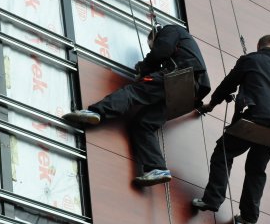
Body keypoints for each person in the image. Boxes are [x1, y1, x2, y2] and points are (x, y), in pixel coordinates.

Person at [63, 24, 211, 187]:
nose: (153, 47)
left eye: (152, 44)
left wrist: (143, 67)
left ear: (155, 36)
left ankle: (95, 112)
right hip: (189, 94)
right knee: (143, 124)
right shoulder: (183, 42)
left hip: (180, 77)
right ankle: (157, 168)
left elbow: (161, 50)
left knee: (133, 92)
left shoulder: (170, 30)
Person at [192, 35, 270, 224]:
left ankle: (213, 199)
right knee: (257, 168)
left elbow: (228, 85)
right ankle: (249, 216)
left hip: (255, 117)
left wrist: (211, 104)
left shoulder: (251, 59)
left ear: (259, 47)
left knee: (224, 151)